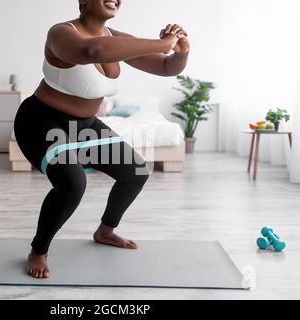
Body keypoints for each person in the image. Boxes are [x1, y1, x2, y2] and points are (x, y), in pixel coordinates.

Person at [13, 0, 190, 279]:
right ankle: (38, 250)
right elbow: (91, 50)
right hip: (42, 123)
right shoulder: (61, 34)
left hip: (85, 125)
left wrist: (181, 50)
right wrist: (160, 43)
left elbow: (168, 68)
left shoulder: (115, 39)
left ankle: (105, 231)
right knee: (72, 184)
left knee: (135, 172)